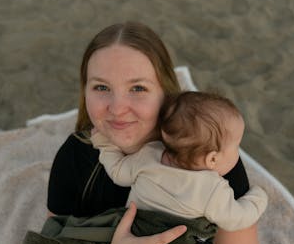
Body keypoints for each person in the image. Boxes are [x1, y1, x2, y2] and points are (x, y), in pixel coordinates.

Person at [39, 21, 271, 244]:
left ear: (166, 90)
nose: (117, 107)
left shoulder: (206, 158)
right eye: (101, 87)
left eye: (137, 88)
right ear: (84, 90)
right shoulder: (76, 157)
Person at [91, 91, 268, 233]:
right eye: (236, 147)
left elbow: (117, 172)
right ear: (212, 159)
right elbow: (236, 219)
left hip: (132, 236)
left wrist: (104, 143)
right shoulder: (210, 188)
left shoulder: (149, 155)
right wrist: (258, 198)